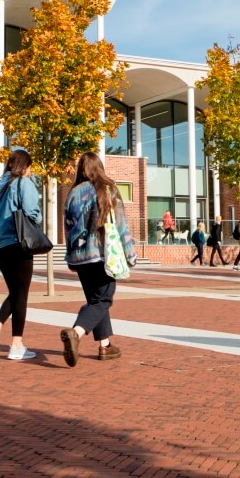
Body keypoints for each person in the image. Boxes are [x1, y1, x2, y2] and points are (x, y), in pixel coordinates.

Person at [60, 152, 137, 368]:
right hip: (103, 254)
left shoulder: (73, 193)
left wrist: (71, 258)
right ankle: (76, 332)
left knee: (96, 301)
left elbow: (67, 229)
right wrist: (130, 255)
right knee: (103, 301)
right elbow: (121, 225)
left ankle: (105, 346)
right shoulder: (108, 188)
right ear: (99, 167)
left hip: (81, 256)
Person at [0, 150, 42, 361]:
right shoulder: (23, 183)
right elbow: (32, 212)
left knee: (15, 292)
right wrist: (39, 216)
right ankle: (16, 345)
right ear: (24, 166)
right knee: (21, 294)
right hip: (19, 243)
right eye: (30, 166)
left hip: (0, 246)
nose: (31, 170)